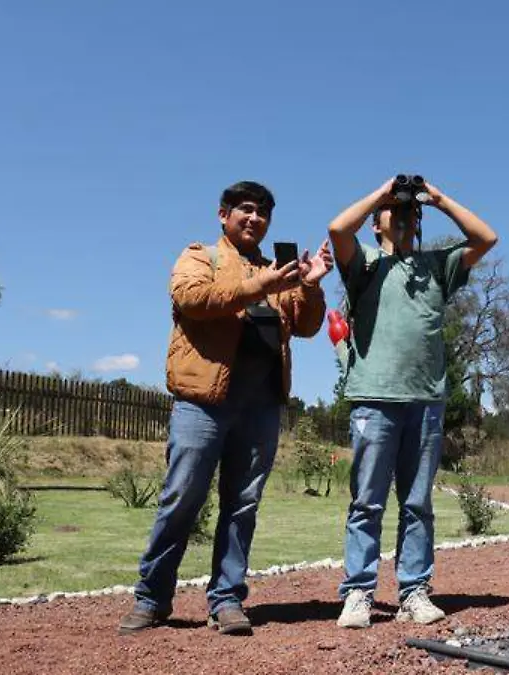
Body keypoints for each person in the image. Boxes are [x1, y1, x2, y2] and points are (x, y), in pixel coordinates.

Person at [118, 180, 332, 636]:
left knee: (242, 505)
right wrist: (260, 284)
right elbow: (191, 299)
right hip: (203, 402)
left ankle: (227, 599)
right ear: (224, 215)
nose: (255, 220)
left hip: (261, 405)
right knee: (181, 499)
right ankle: (152, 598)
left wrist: (309, 286)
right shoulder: (201, 257)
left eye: (263, 214)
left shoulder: (278, 272)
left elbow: (309, 325)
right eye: (247, 210)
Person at [327, 176, 498, 628]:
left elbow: (486, 237)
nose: (404, 216)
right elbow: (338, 229)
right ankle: (359, 593)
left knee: (418, 503)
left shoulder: (437, 266)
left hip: (425, 401)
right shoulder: (364, 263)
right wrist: (379, 196)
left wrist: (438, 200)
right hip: (374, 399)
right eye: (395, 211)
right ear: (377, 222)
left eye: (411, 212)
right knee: (367, 502)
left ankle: (414, 591)